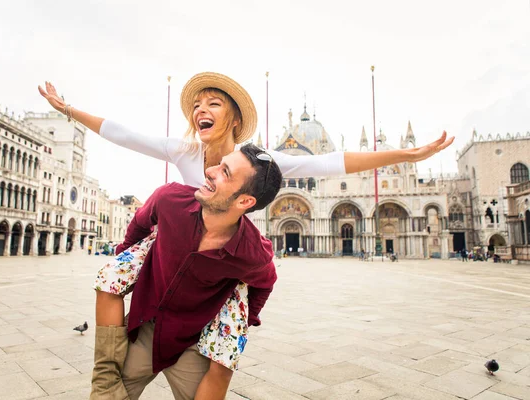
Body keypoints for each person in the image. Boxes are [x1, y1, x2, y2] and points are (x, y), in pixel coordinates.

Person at [39, 72, 454, 398]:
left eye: (213, 103)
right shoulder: (183, 151)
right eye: (197, 105)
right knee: (111, 279)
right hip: (177, 244)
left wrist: (407, 154)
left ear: (233, 118)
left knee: (225, 353)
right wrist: (68, 110)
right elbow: (124, 134)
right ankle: (105, 382)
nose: (201, 109)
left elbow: (331, 162)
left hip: (224, 259)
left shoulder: (258, 163)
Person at [106, 144, 282, 399]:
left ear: (245, 201)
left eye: (225, 172)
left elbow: (266, 283)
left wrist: (241, 325)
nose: (209, 171)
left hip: (192, 342)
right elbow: (139, 225)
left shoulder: (252, 252)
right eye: (218, 164)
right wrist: (123, 266)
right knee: (110, 394)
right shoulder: (169, 199)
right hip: (143, 329)